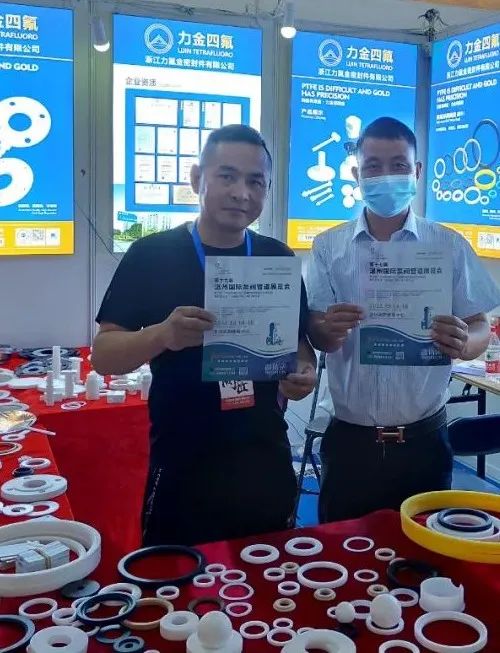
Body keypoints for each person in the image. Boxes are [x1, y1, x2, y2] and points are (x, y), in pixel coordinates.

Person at [92, 124, 316, 545]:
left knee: (269, 578)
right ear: (197, 179)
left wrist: (303, 373)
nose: (241, 193)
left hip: (263, 462)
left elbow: (300, 347)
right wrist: (163, 335)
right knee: (175, 579)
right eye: (227, 176)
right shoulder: (152, 255)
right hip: (182, 466)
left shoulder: (276, 257)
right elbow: (103, 355)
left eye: (255, 182)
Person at [307, 116, 500, 523]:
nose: (386, 176)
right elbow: (316, 332)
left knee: (424, 552)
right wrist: (326, 331)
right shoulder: (328, 248)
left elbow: (480, 325)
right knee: (343, 551)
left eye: (398, 165)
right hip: (350, 444)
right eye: (373, 166)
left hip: (424, 443)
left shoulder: (448, 245)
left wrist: (466, 342)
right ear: (357, 174)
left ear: (416, 171)